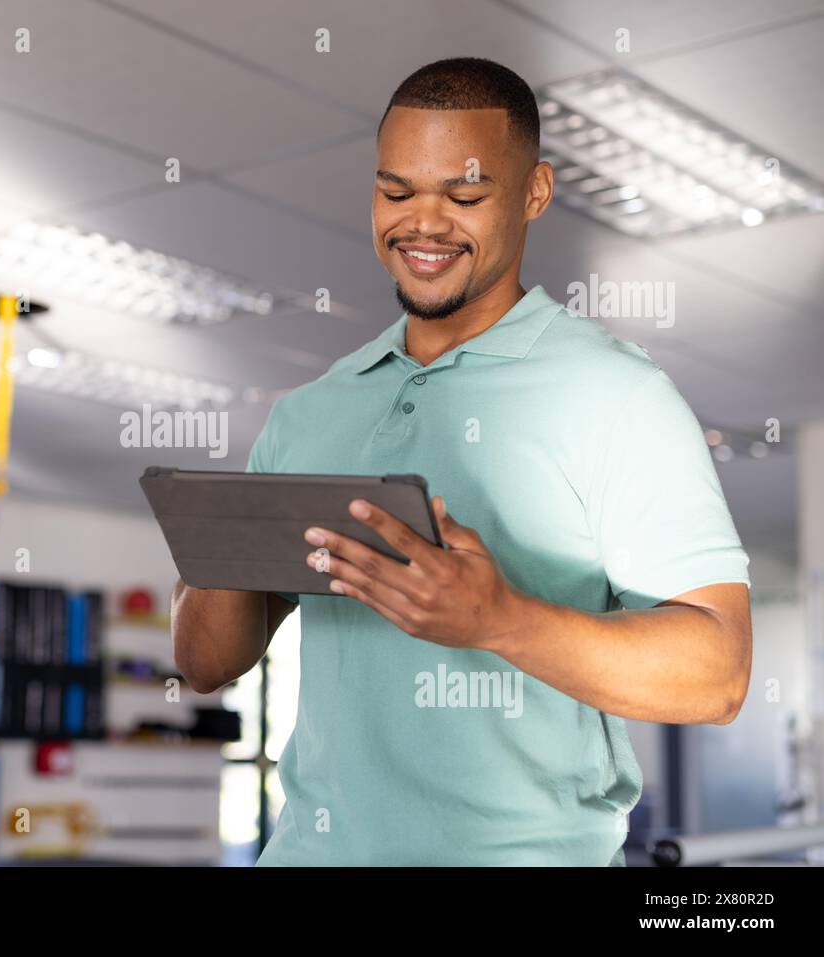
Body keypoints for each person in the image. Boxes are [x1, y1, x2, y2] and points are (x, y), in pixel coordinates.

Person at [171, 57, 751, 866]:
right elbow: (204, 664)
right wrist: (218, 540)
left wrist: (500, 619)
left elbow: (717, 674)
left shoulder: (618, 395)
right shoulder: (308, 414)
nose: (424, 223)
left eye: (465, 195)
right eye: (397, 191)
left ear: (535, 193)